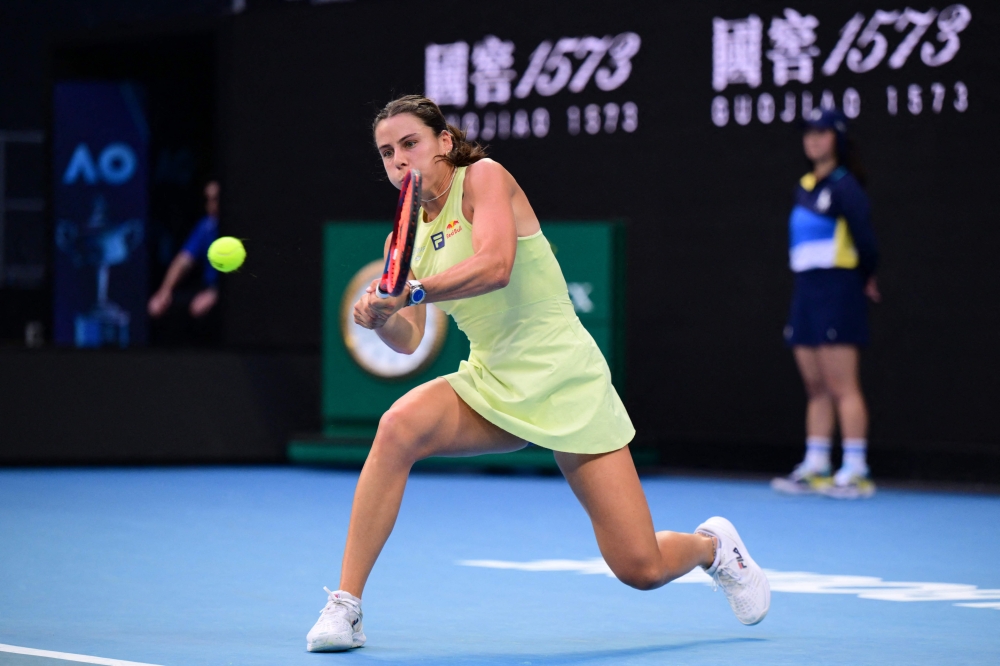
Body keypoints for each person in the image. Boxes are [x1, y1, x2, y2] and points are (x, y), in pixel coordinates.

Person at [305, 95, 771, 652]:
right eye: (387, 153)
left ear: (443, 143)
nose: (400, 161)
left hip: (565, 378)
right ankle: (347, 606)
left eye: (411, 143)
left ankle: (712, 548)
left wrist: (415, 290)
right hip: (492, 385)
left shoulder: (483, 178)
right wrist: (382, 318)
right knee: (396, 427)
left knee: (639, 566)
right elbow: (408, 340)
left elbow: (497, 265)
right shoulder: (399, 242)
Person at [771, 109, 880, 500]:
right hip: (806, 290)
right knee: (815, 385)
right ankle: (816, 465)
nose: (813, 140)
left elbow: (867, 242)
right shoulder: (803, 185)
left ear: (837, 139)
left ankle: (855, 468)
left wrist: (864, 276)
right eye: (808, 133)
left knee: (842, 385)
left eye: (822, 133)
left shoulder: (846, 186)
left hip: (839, 287)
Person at [147, 180, 221, 325]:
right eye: (208, 200)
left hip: (231, 296)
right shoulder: (206, 226)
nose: (211, 205)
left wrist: (217, 294)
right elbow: (184, 260)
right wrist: (164, 291)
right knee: (157, 307)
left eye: (216, 199)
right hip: (207, 287)